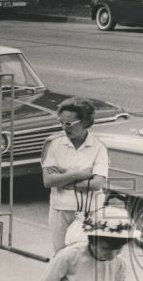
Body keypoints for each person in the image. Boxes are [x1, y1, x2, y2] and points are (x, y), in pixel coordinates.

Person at [41, 97, 108, 253]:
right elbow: (48, 180)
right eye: (61, 122)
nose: (64, 127)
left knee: (87, 256)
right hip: (60, 210)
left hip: (90, 212)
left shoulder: (98, 147)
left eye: (69, 124)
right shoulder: (55, 145)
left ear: (84, 122)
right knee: (60, 255)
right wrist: (78, 174)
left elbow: (98, 183)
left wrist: (64, 179)